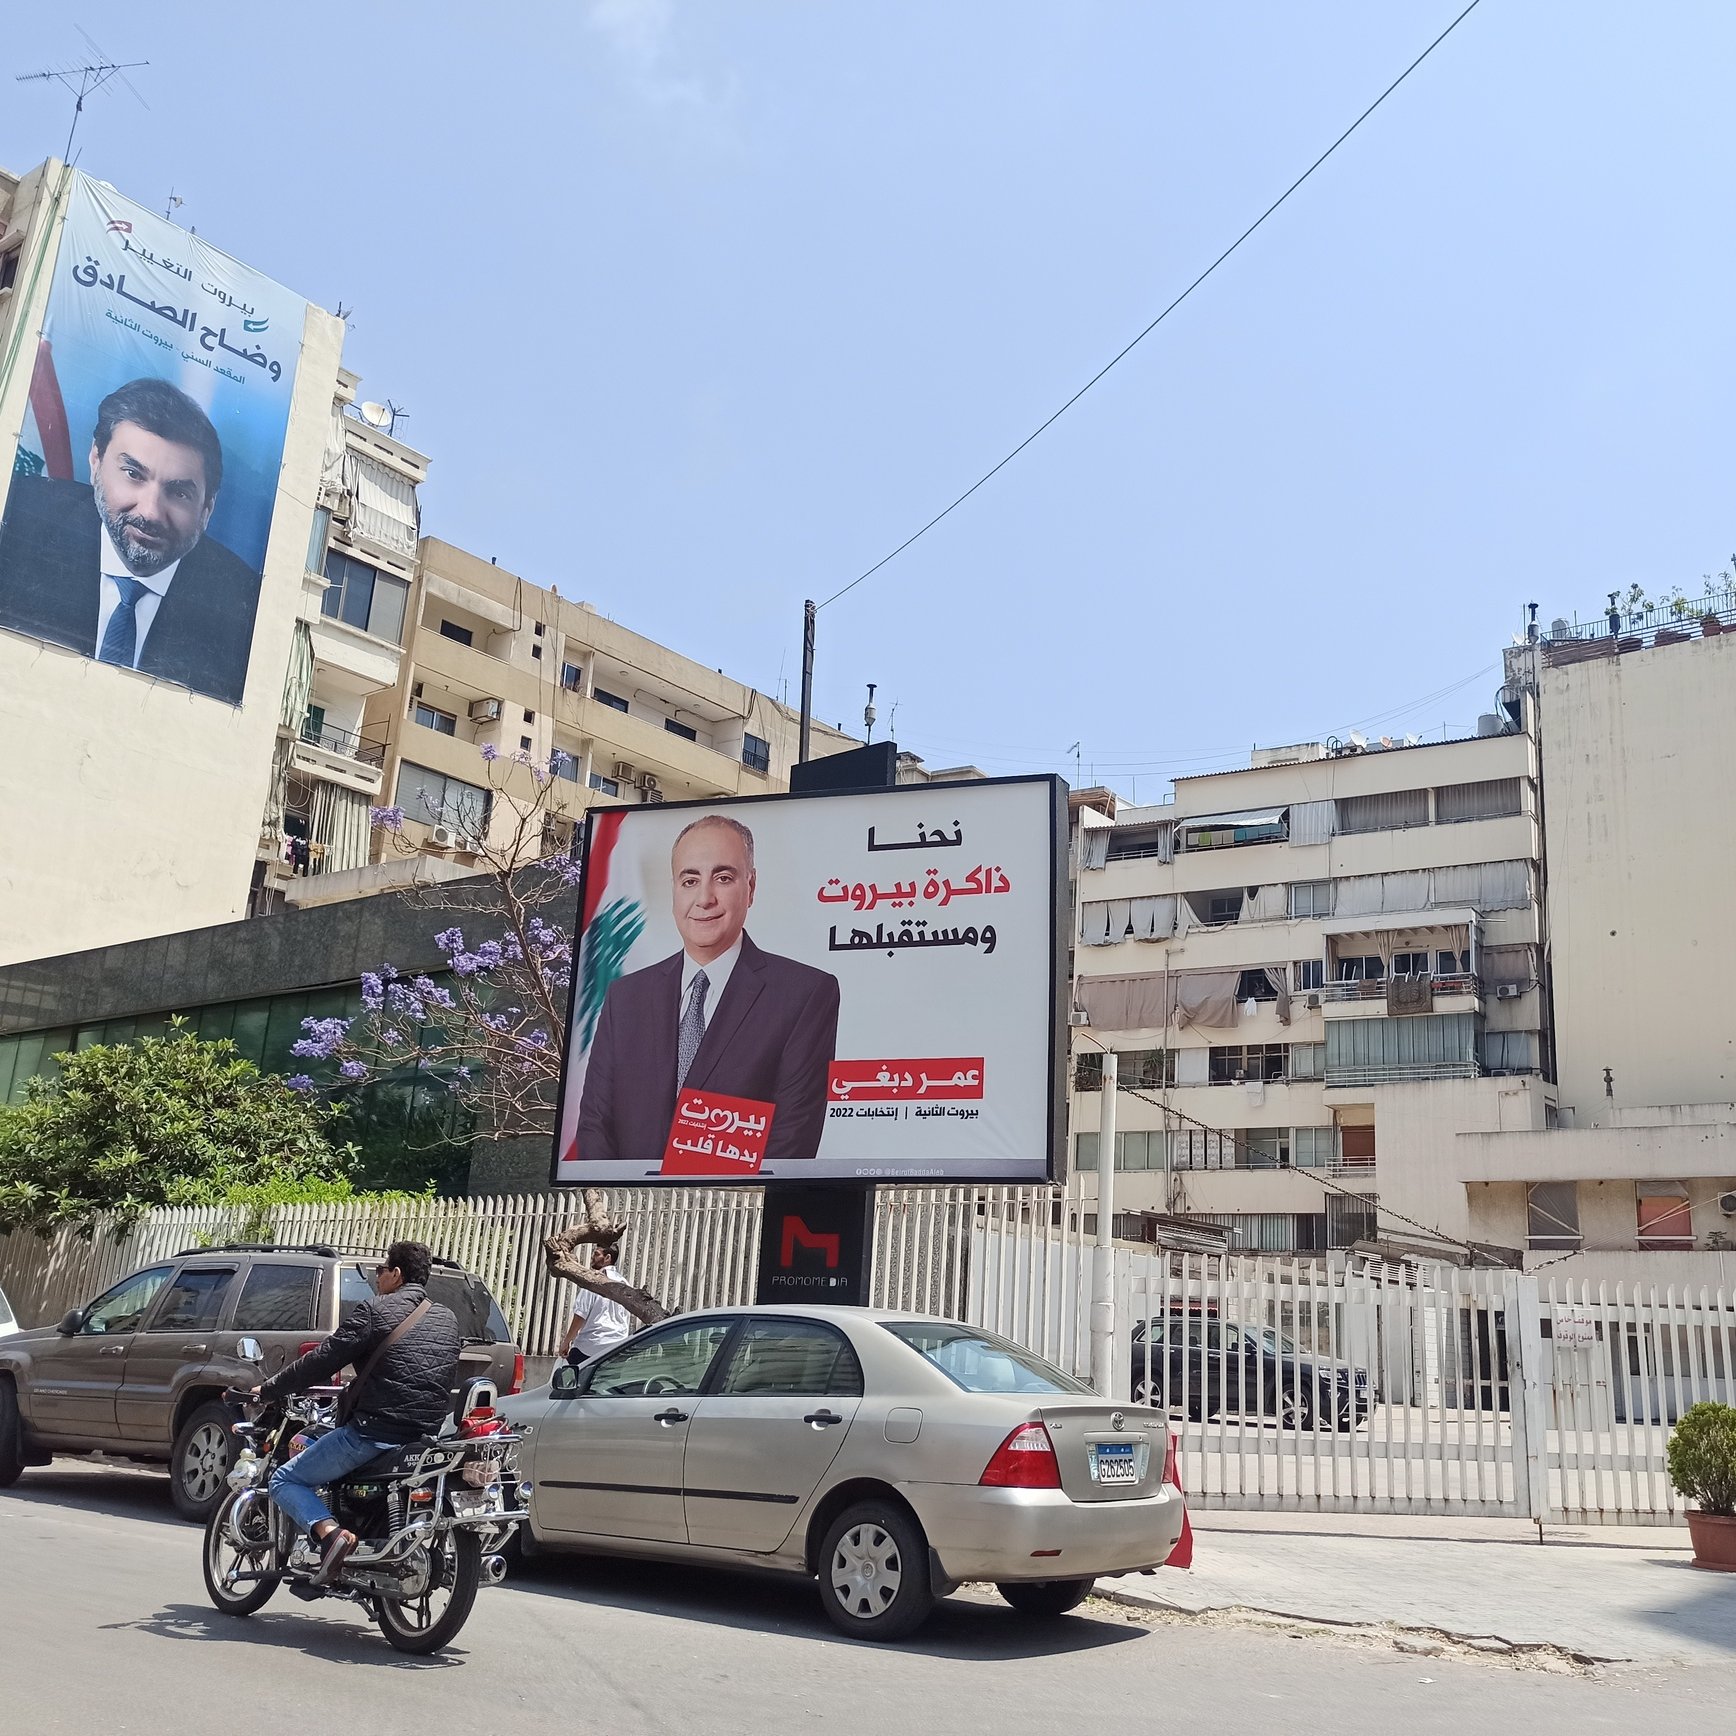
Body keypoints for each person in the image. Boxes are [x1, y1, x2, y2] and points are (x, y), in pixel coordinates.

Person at [577, 813, 840, 1168]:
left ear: (751, 887)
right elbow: (595, 1123)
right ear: (674, 889)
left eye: (723, 878)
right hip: (629, 1212)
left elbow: (793, 1139)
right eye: (689, 880)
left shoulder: (804, 994)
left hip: (733, 1214)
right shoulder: (626, 997)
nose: (704, 898)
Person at [0, 377, 261, 705]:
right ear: (96, 461)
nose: (150, 512)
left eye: (179, 492)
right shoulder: (16, 515)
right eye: (133, 474)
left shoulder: (242, 605)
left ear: (207, 508)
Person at [255, 1240, 460, 1584]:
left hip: (373, 1431)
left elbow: (323, 1359)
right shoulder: (448, 1318)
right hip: (423, 1436)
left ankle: (332, 1534)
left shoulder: (376, 1310)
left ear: (396, 1274)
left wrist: (269, 1389)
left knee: (284, 1479)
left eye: (381, 1270)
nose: (377, 1277)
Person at [558, 1241, 636, 1367]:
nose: (592, 1258)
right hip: (618, 1345)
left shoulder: (593, 1280)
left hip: (593, 1343)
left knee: (568, 1376)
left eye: (596, 1254)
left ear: (607, 1258)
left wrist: (566, 1341)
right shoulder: (624, 1283)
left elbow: (580, 1315)